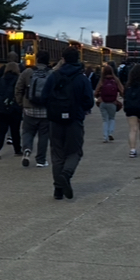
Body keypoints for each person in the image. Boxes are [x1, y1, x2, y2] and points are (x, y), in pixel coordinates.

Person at [45, 47, 93, 199]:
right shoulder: (82, 78)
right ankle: (66, 175)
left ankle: (58, 190)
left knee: (57, 153)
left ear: (63, 59)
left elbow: (44, 96)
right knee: (75, 152)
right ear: (78, 60)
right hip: (74, 120)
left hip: (55, 120)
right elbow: (89, 101)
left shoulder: (54, 76)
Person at [16, 49, 52, 167]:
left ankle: (27, 150)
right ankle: (41, 160)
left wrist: (22, 103)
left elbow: (18, 88)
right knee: (44, 135)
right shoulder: (51, 74)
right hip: (45, 111)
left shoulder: (27, 72)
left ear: (37, 60)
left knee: (27, 132)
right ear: (48, 61)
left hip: (29, 109)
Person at [0, 62, 24, 159]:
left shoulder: (0, 80)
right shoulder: (18, 79)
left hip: (0, 109)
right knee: (15, 130)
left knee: (1, 130)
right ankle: (17, 149)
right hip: (14, 108)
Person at [94, 63, 123, 143]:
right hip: (113, 103)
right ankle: (110, 133)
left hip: (103, 102)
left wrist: (98, 97)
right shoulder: (116, 80)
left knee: (105, 120)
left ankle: (105, 137)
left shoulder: (102, 80)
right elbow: (122, 91)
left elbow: (96, 92)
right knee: (112, 118)